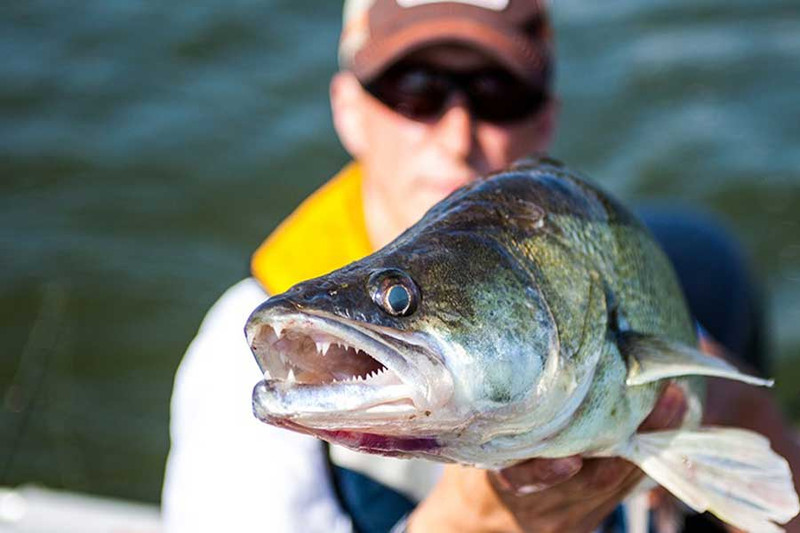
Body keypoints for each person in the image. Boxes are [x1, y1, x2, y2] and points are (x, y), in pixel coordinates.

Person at [162, 1, 800, 532]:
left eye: (497, 92)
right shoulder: (232, 360)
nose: (457, 132)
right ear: (348, 109)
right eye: (415, 91)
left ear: (546, 116)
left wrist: (727, 409)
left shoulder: (672, 276)